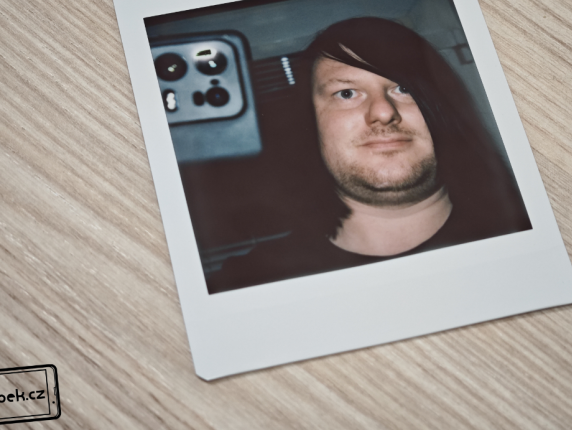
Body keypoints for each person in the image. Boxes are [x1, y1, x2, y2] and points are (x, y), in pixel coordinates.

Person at [209, 18, 531, 293]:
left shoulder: (529, 237)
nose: (383, 112)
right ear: (310, 124)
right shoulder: (247, 282)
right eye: (346, 93)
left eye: (404, 88)